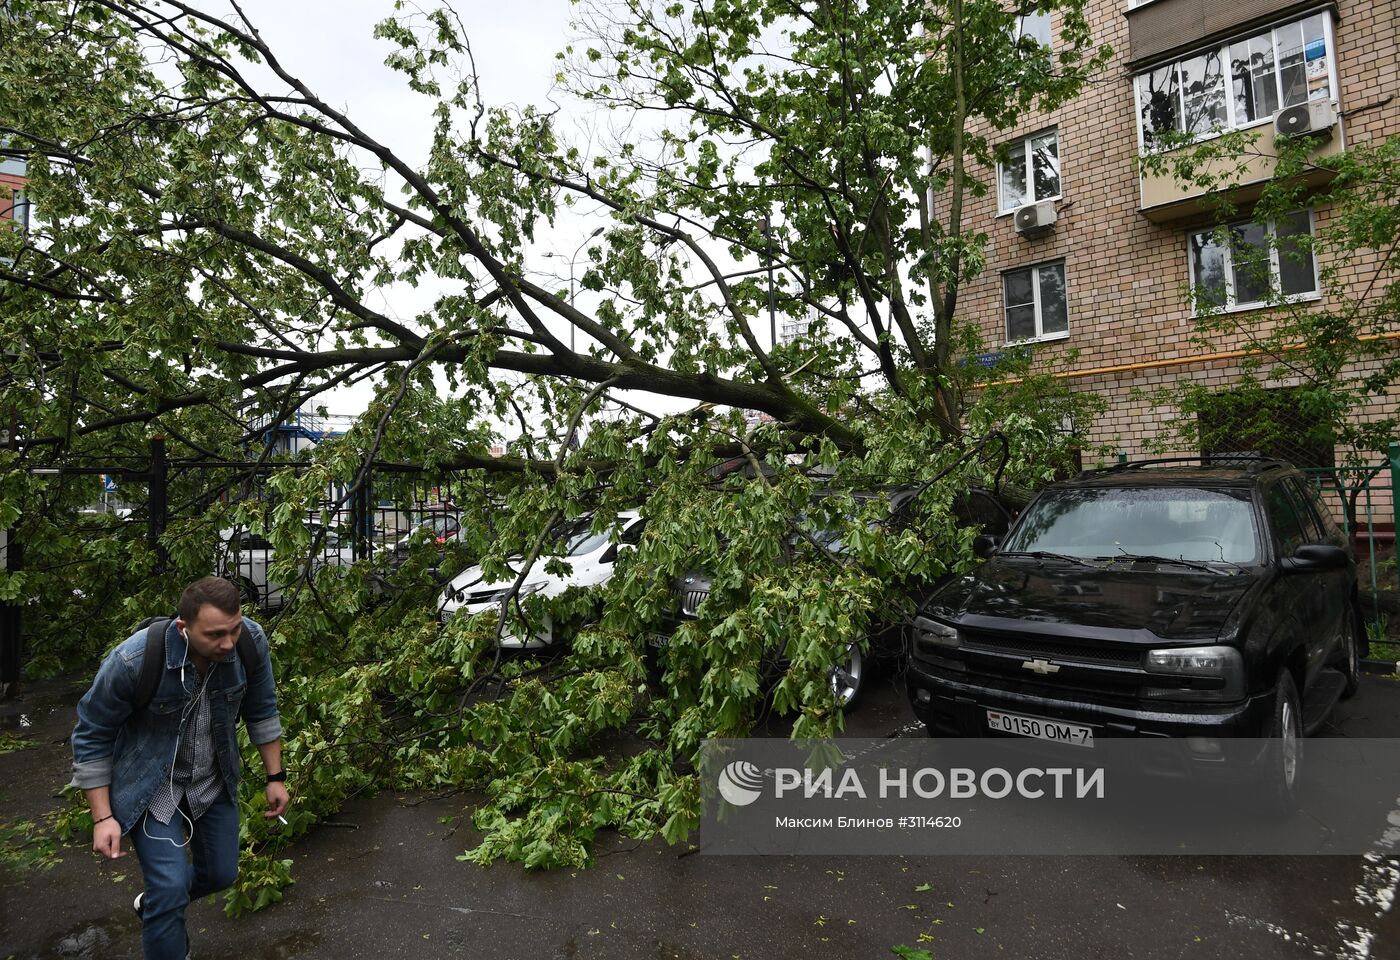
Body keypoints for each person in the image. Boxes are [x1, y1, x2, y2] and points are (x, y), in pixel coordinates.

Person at [70, 576, 288, 959]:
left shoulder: (250, 643)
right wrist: (103, 817)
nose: (228, 643)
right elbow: (92, 733)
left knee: (221, 874)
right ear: (183, 628)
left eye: (234, 629)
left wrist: (276, 777)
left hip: (212, 779)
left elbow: (263, 709)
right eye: (215, 634)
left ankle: (155, 905)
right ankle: (165, 914)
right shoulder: (133, 659)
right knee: (170, 889)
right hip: (152, 788)